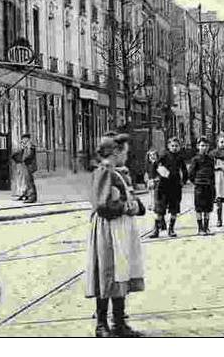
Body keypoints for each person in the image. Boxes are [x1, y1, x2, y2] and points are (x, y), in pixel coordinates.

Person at [83, 132, 145, 338]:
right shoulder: (104, 172)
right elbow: (102, 206)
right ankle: (102, 324)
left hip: (121, 229)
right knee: (107, 272)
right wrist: (125, 208)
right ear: (115, 152)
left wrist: (136, 206)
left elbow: (129, 196)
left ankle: (119, 322)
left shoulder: (119, 172)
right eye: (124, 152)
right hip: (108, 229)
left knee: (121, 272)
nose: (126, 156)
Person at [150, 137, 187, 238]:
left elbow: (184, 170)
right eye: (172, 146)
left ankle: (171, 229)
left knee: (174, 208)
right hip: (163, 185)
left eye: (176, 146)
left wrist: (183, 181)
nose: (174, 148)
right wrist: (154, 178)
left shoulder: (180, 157)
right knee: (159, 209)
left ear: (179, 147)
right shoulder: (164, 155)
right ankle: (156, 230)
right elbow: (155, 165)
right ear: (168, 146)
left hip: (175, 186)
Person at [188, 137, 216, 235]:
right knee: (199, 207)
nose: (204, 148)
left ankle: (206, 227)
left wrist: (213, 186)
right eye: (202, 145)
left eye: (206, 146)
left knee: (208, 208)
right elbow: (190, 174)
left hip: (209, 186)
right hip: (199, 186)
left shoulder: (211, 159)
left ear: (208, 147)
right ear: (198, 146)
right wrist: (196, 182)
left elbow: (212, 174)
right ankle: (200, 228)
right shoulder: (195, 159)